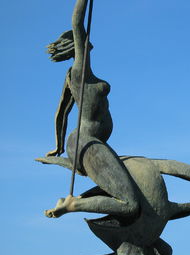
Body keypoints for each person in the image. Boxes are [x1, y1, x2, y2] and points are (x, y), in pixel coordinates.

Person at [44, 0, 140, 219]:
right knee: (130, 204)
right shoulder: (79, 71)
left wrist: (58, 146)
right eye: (83, 41)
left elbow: (61, 113)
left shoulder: (77, 76)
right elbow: (77, 23)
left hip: (92, 143)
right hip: (86, 143)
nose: (89, 42)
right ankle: (71, 205)